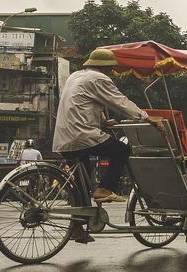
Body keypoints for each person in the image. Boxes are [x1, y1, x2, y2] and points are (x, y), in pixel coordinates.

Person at [53, 48, 164, 205]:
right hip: (81, 135)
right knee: (122, 150)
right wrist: (146, 117)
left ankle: (78, 225)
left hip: (63, 138)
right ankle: (104, 189)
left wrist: (104, 121)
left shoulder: (76, 76)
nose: (111, 71)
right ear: (105, 67)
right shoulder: (98, 78)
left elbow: (84, 104)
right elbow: (119, 101)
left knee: (82, 187)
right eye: (110, 68)